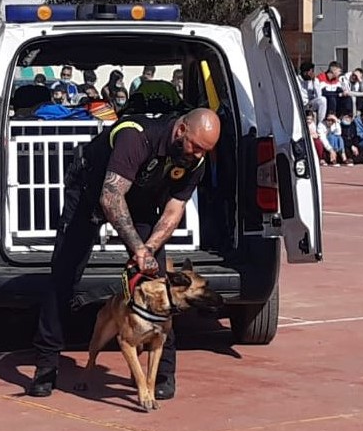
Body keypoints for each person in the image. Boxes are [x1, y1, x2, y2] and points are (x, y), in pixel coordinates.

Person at [27, 107, 222, 401]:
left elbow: (174, 209)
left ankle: (164, 372)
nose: (197, 155)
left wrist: (149, 250)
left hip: (140, 200)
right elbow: (110, 196)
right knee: (64, 275)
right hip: (92, 192)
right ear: (181, 130)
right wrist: (136, 248)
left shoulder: (196, 161)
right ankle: (45, 367)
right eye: (195, 147)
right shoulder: (136, 136)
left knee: (159, 280)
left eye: (204, 151)